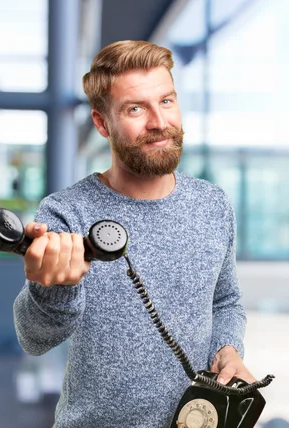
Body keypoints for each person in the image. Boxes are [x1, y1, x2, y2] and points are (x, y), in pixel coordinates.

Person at [13, 40, 255, 427]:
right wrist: (52, 290)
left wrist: (228, 349)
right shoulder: (66, 212)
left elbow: (225, 300)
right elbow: (34, 338)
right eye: (135, 109)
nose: (159, 122)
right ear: (101, 123)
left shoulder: (213, 205)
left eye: (167, 101)